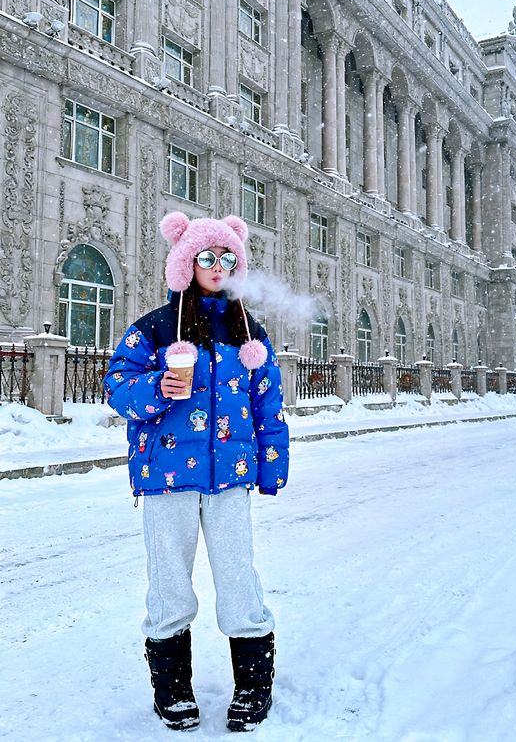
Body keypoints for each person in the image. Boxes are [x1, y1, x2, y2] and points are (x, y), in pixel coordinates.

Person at [104, 212, 289, 733]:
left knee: (237, 580)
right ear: (186, 262)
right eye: (207, 257)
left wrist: (272, 462)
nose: (217, 266)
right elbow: (117, 386)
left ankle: (254, 684)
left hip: (229, 478)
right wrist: (156, 389)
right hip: (166, 479)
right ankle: (173, 689)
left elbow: (267, 403)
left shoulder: (249, 332)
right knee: (169, 584)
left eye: (228, 259)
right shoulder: (155, 328)